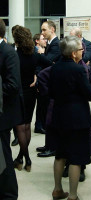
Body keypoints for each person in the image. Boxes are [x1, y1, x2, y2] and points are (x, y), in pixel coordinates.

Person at [49, 36, 91, 200]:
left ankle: (57, 189)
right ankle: (73, 195)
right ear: (73, 53)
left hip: (59, 116)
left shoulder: (55, 68)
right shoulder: (78, 70)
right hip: (77, 119)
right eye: (80, 49)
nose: (83, 52)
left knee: (60, 154)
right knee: (76, 158)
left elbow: (51, 92)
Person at [12, 26, 52, 173]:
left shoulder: (15, 56)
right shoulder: (35, 55)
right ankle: (21, 158)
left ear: (17, 40)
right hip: (31, 93)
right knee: (27, 126)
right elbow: (51, 65)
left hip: (19, 93)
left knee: (20, 127)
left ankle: (26, 159)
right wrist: (38, 76)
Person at [0, 18, 23, 200]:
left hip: (3, 115)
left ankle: (9, 194)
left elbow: (13, 85)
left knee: (4, 157)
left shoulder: (8, 52)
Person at [37, 20, 61, 158]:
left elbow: (48, 62)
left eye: (44, 30)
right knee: (47, 116)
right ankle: (48, 144)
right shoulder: (50, 44)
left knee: (50, 117)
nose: (42, 32)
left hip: (52, 85)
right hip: (47, 83)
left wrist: (41, 54)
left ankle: (52, 147)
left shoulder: (56, 45)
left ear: (52, 29)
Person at [33, 33, 47, 135]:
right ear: (37, 41)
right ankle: (38, 125)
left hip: (42, 80)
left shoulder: (41, 50)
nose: (45, 40)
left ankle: (40, 125)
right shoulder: (36, 51)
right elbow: (37, 67)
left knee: (42, 105)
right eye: (43, 39)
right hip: (39, 81)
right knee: (41, 104)